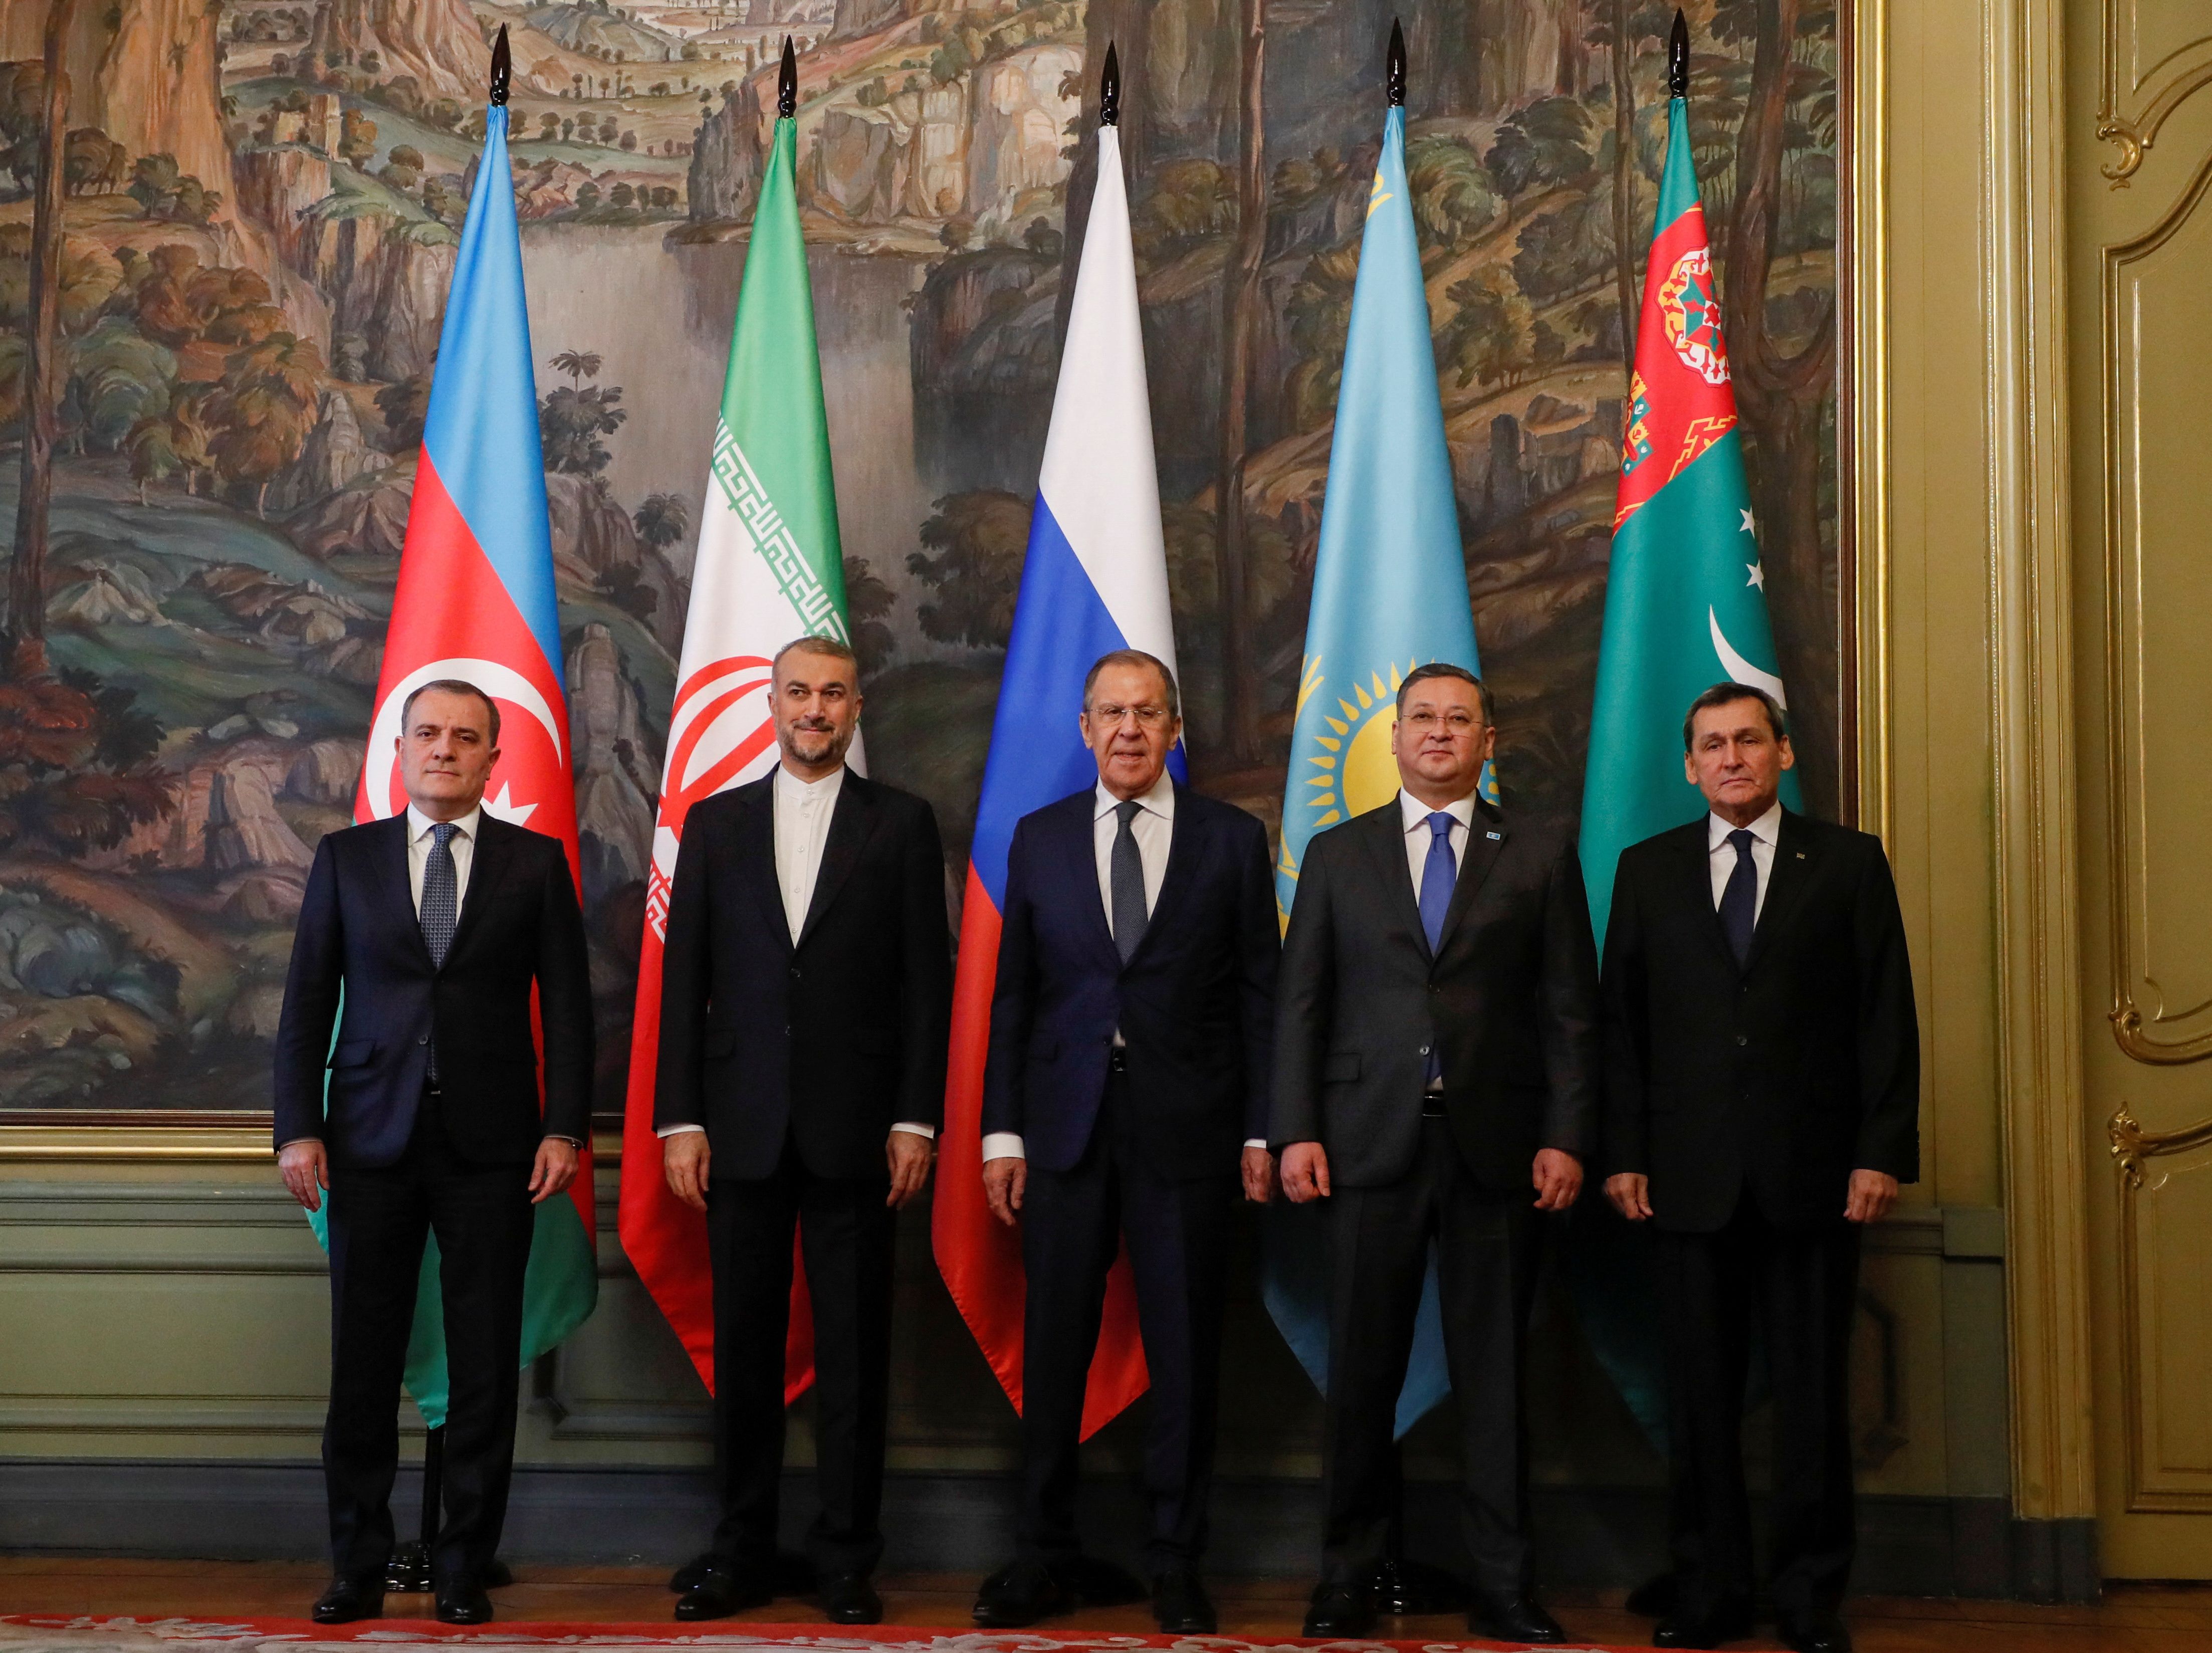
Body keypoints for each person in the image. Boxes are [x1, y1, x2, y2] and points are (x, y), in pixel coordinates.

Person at [1273, 662, 1600, 1645]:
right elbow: (1299, 1007)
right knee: (1360, 1376)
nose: (1438, 733)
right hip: (1364, 1144)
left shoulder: (1536, 852)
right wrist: (1293, 1128)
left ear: (1485, 740)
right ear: (1394, 735)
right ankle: (1347, 1577)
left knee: (1495, 1385)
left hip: (1496, 1150)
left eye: (1460, 719)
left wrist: (1566, 1135)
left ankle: (1503, 1585)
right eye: (1422, 717)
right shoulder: (1337, 854)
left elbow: (1569, 1014)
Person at [1599, 683, 1918, 1653]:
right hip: (1685, 1179)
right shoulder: (1646, 870)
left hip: (1814, 1176)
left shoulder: (1850, 865)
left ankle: (1808, 1595)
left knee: (1814, 1402)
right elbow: (1621, 1028)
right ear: (1687, 766)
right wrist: (1623, 1155)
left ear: (1782, 753)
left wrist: (1878, 1153)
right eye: (1711, 744)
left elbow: (1886, 1020)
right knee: (1699, 1401)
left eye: (1748, 739)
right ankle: (1708, 1588)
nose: (1731, 757)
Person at [970, 649, 1278, 1635]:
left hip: (1188, 1132)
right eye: (1110, 712)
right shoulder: (1040, 838)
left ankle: (1174, 1556)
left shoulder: (1232, 840)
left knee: (1186, 1349)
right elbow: (1013, 992)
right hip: (1061, 1130)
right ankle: (1040, 1552)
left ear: (1174, 728)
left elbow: (1259, 996)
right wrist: (1002, 1129)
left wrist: (1264, 1126)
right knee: (1053, 1345)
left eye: (1147, 713)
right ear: (1083, 727)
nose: (1128, 730)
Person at [274, 680, 593, 1627]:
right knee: (362, 1365)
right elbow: (303, 1007)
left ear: (494, 758)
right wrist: (297, 1126)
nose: (445, 749)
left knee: (485, 1366)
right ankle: (356, 1567)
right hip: (367, 1144)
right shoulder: (346, 859)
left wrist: (565, 1127)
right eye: (428, 734)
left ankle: (462, 1565)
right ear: (400, 749)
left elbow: (570, 1016)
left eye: (466, 737)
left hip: (495, 1150)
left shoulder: (535, 865)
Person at [654, 635, 951, 1625]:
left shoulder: (901, 825)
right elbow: (682, 982)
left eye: (831, 693)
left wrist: (916, 1117)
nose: (813, 708)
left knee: (855, 1355)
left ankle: (844, 1558)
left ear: (856, 707)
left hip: (859, 1133)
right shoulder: (715, 824)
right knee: (742, 1351)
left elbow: (926, 986)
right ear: (770, 704)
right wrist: (681, 1115)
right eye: (796, 692)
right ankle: (738, 1548)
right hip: (735, 1129)